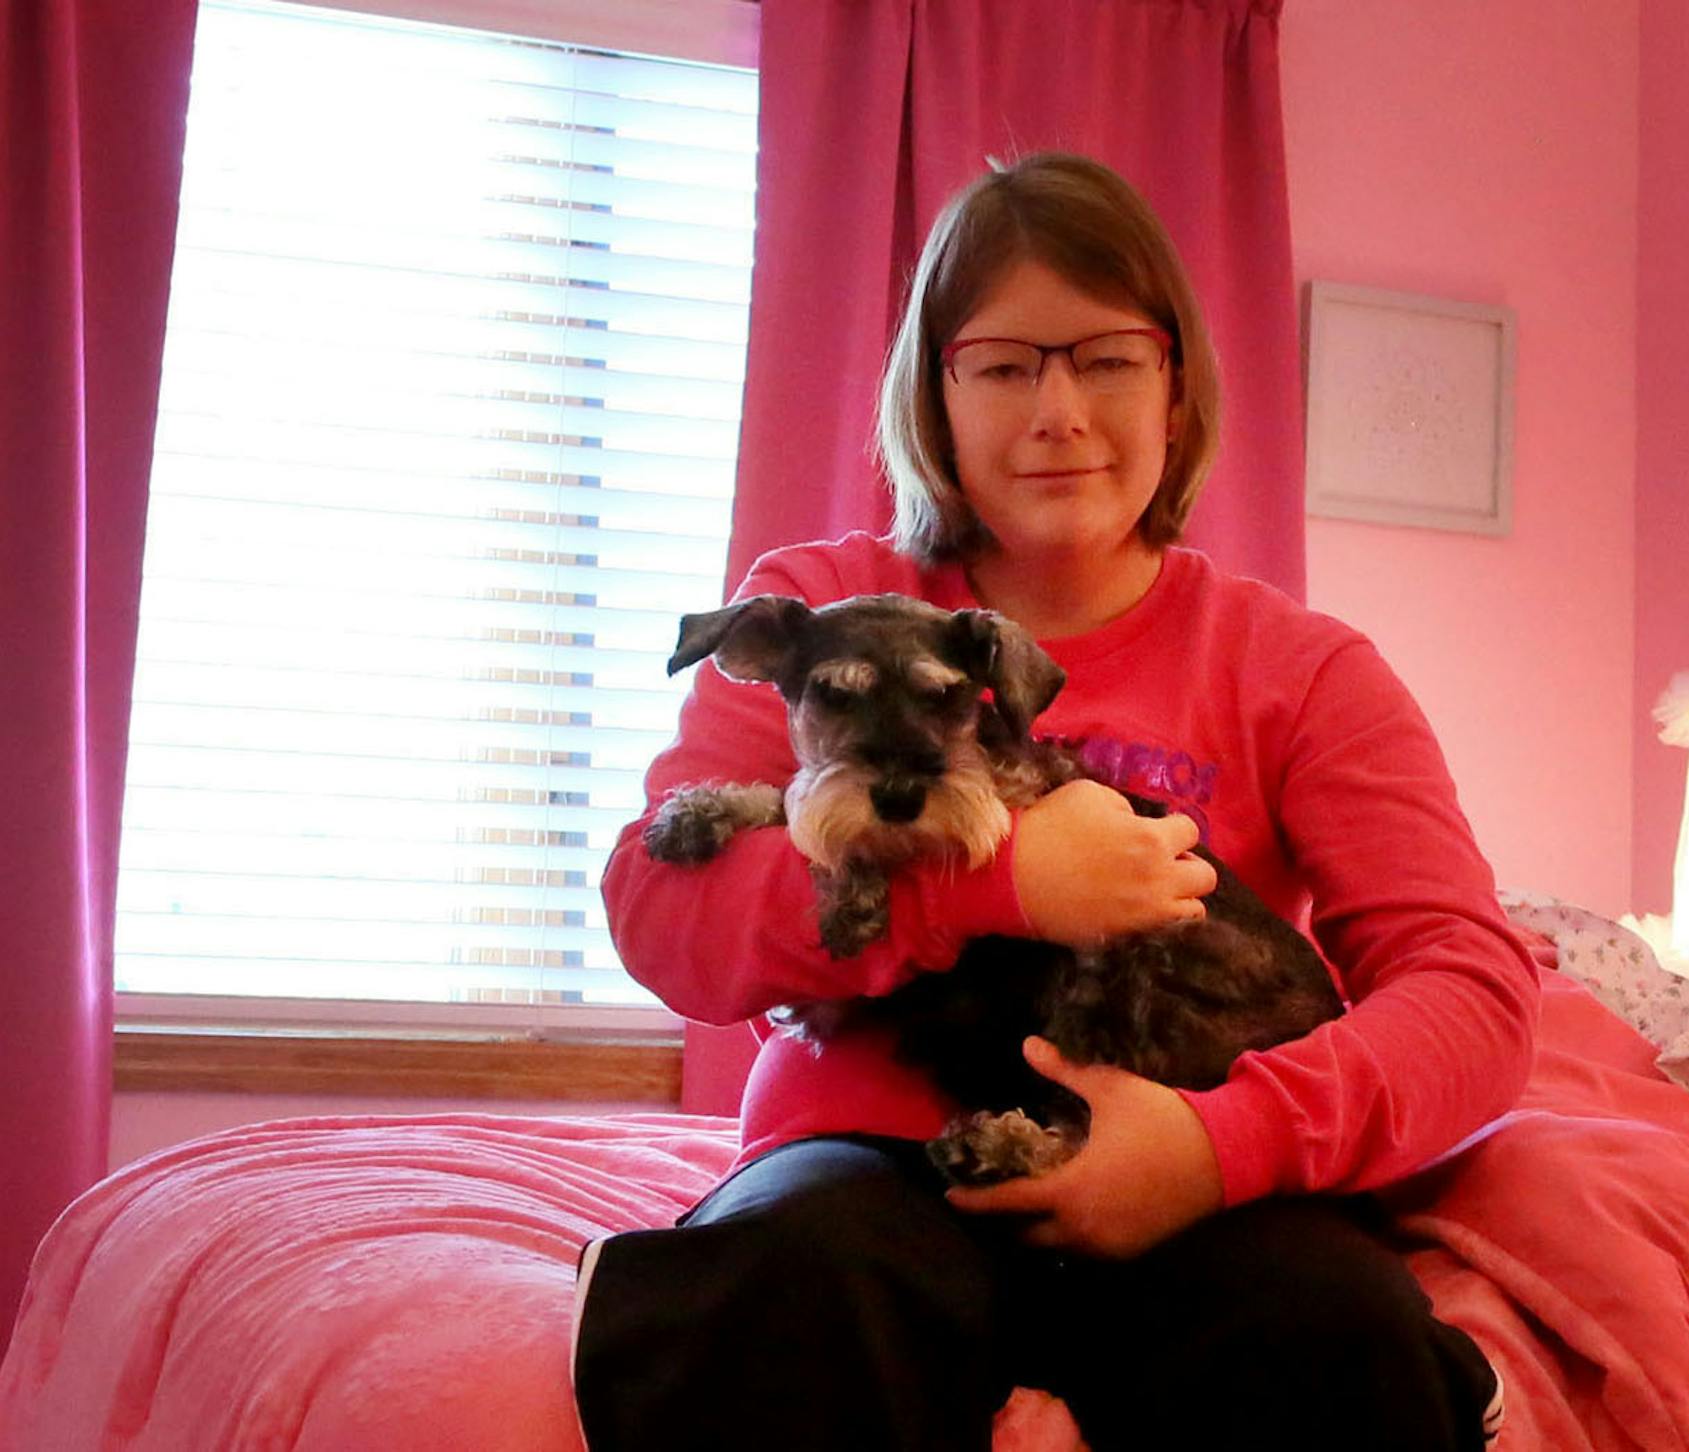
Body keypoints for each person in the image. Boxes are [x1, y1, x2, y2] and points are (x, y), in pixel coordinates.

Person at [572, 151, 1539, 1452]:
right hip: (869, 1171)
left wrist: (1220, 1145)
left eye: (1106, 359)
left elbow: (1470, 993)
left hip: (1200, 1179)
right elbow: (663, 910)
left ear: (1176, 381)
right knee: (799, 1285)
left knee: (1341, 1335)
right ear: (938, 392)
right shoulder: (821, 597)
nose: (1058, 412)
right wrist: (1003, 877)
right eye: (1007, 365)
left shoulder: (1303, 671)